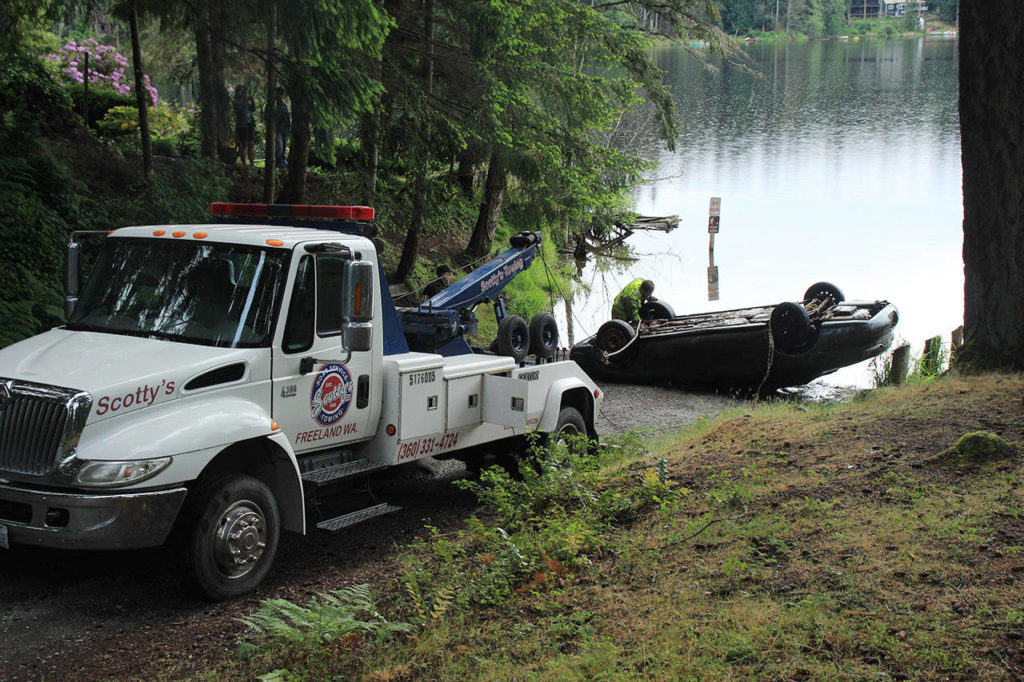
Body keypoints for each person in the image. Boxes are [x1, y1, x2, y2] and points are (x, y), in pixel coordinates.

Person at [233, 85, 255, 167]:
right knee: (244, 144)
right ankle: (244, 163)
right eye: (239, 90)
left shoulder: (247, 100)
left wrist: (252, 101)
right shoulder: (236, 101)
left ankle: (252, 163)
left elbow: (253, 109)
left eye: (242, 91)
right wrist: (245, 102)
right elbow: (238, 110)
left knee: (251, 144)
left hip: (249, 124)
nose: (240, 92)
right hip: (242, 125)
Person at [273, 87, 290, 169]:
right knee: (279, 147)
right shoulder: (273, 104)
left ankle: (282, 164)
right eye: (280, 94)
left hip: (284, 129)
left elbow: (287, 116)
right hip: (277, 129)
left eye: (282, 94)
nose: (281, 96)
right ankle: (278, 164)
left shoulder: (284, 105)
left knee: (283, 148)